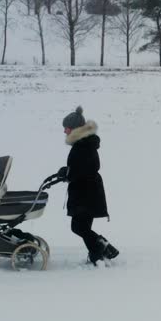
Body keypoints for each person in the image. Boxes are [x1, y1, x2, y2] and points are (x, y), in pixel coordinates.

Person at [57, 106, 119, 265]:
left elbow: (87, 168)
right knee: (81, 227)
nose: (65, 131)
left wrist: (68, 174)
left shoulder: (83, 145)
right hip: (86, 192)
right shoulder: (83, 143)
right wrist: (67, 171)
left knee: (79, 227)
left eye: (67, 128)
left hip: (86, 193)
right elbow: (81, 167)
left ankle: (102, 249)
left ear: (75, 128)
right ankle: (97, 254)